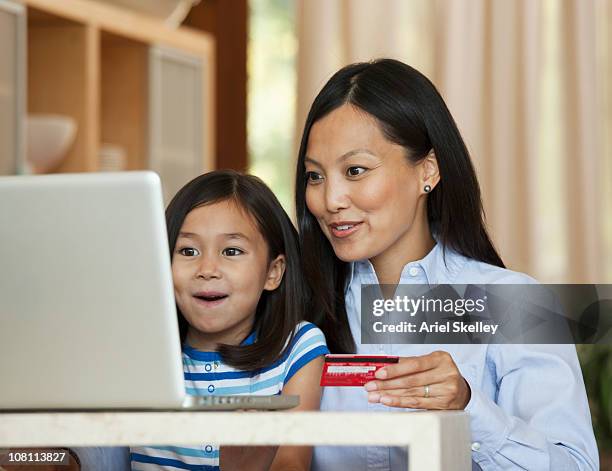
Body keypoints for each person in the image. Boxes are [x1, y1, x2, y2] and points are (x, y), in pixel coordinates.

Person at [295, 58, 599, 470]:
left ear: (429, 169)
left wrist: (467, 409)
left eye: (355, 170)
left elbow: (574, 465)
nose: (329, 200)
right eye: (315, 176)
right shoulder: (294, 309)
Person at [131, 170, 328, 471]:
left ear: (273, 273)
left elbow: (292, 463)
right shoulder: (141, 355)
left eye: (231, 251)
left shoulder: (298, 348)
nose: (207, 269)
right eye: (188, 250)